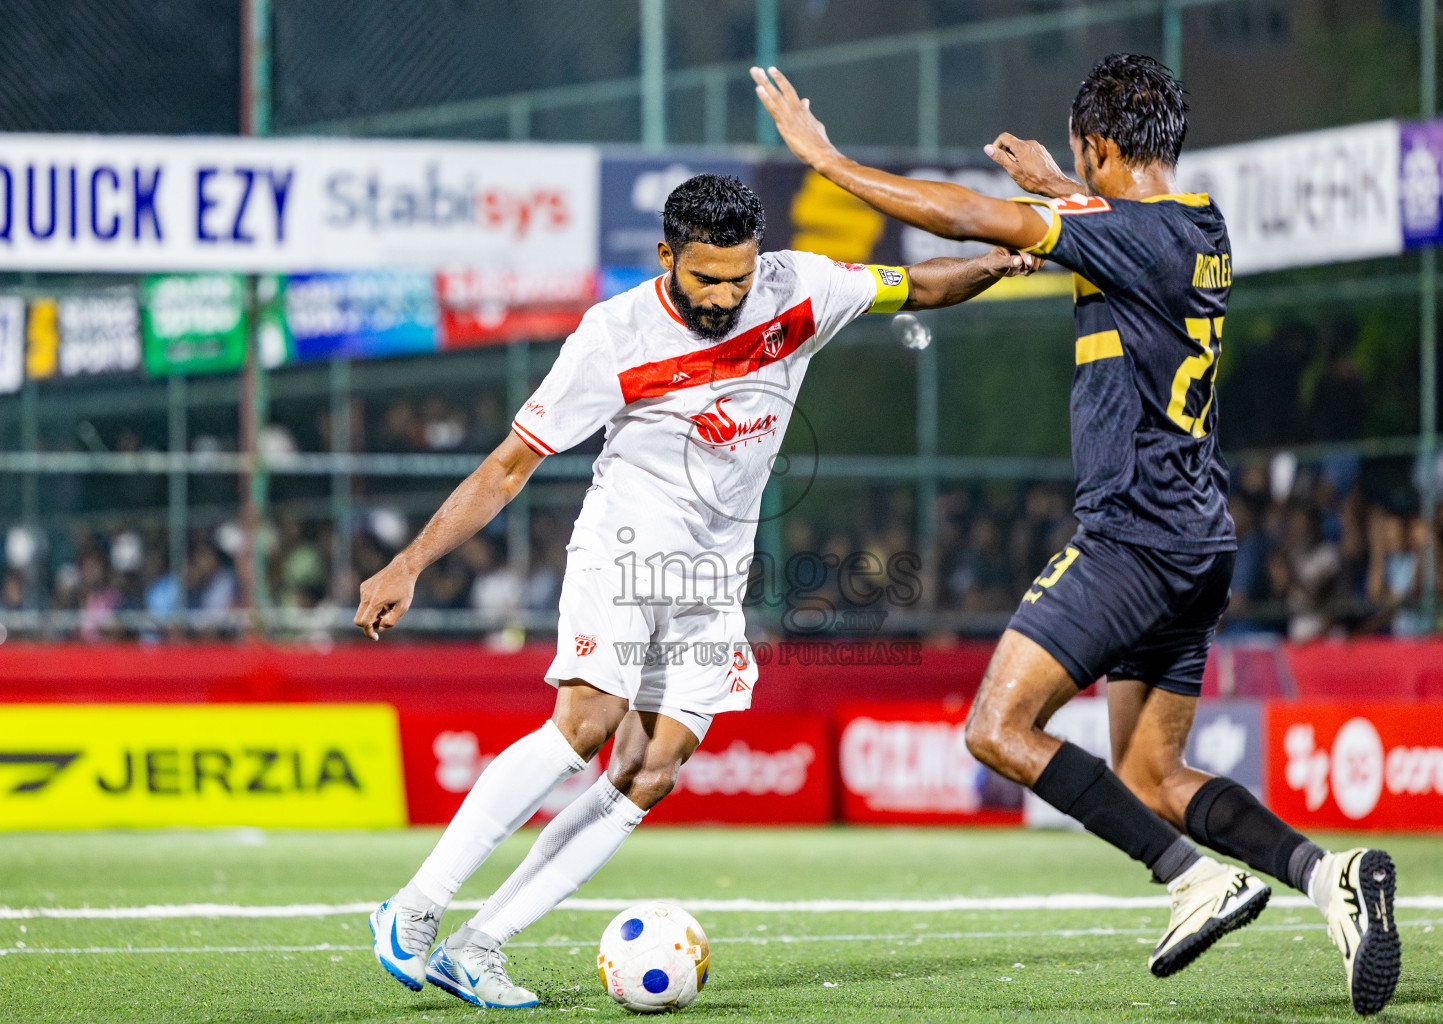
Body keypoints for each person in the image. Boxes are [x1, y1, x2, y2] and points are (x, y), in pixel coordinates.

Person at [754, 53, 1399, 1016]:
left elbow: (968, 217)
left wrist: (828, 161)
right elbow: (1123, 228)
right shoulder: (1201, 224)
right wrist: (1059, 189)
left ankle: (1192, 879)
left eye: (1080, 158)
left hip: (1132, 541)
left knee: (998, 728)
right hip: (1199, 542)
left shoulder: (1123, 234)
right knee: (1152, 772)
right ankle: (1326, 877)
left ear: (1099, 146)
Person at [353, 173, 1036, 1009]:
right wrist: (410, 563)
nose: (724, 295)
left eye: (738, 277)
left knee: (651, 767)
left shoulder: (801, 288)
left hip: (714, 579)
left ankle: (480, 942)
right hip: (625, 548)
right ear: (665, 255)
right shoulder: (615, 335)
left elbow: (918, 286)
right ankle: (416, 910)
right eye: (705, 277)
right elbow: (508, 468)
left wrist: (1002, 261)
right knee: (586, 724)